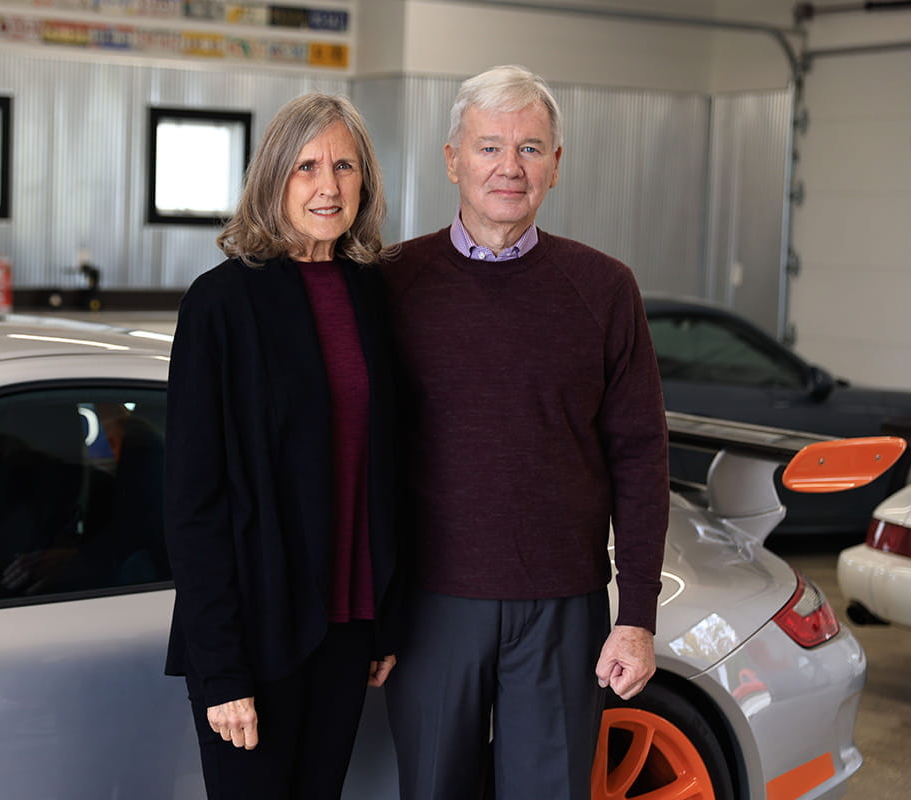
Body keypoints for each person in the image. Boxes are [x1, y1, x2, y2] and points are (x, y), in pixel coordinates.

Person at [380, 65, 670, 799]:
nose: (510, 167)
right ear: (451, 159)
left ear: (557, 167)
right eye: (488, 148)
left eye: (532, 149)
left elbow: (640, 458)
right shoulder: (388, 283)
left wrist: (635, 618)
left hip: (563, 608)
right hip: (429, 606)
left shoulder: (605, 289)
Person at [163, 92, 402, 800]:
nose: (328, 186)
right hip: (252, 633)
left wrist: (385, 616)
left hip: (348, 628)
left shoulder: (376, 297)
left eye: (344, 166)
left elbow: (387, 472)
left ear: (366, 182)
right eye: (305, 167)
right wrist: (222, 670)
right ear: (272, 180)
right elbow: (192, 500)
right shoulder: (221, 304)